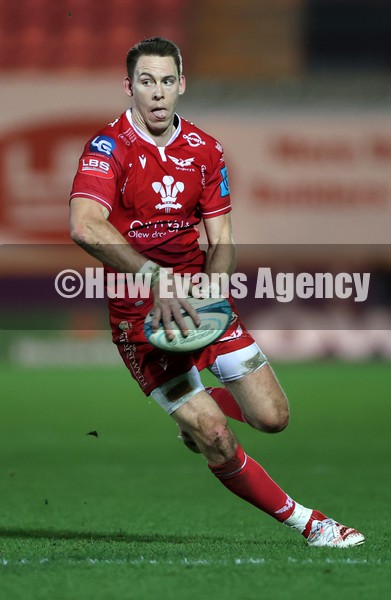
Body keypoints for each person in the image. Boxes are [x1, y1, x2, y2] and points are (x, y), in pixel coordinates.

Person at [69, 36, 364, 548]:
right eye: (146, 82)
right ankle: (310, 523)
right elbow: (85, 225)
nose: (157, 93)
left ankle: (195, 415)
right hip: (142, 319)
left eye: (166, 81)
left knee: (273, 418)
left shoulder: (205, 150)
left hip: (205, 307)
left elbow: (223, 238)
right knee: (216, 436)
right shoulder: (108, 148)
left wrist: (214, 287)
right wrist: (157, 279)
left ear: (181, 84)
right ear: (128, 87)